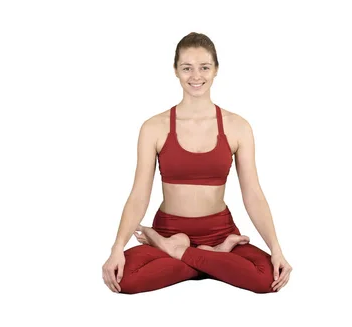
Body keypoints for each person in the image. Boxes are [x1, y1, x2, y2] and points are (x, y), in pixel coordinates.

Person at [101, 32, 292, 294]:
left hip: (220, 233)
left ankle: (178, 252)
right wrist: (116, 248)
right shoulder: (153, 128)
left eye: (204, 67)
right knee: (124, 280)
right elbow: (139, 194)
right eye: (186, 68)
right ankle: (212, 257)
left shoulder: (238, 127)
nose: (196, 76)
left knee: (267, 279)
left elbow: (253, 194)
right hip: (168, 230)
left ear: (216, 70)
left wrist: (277, 250)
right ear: (176, 71)